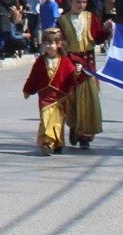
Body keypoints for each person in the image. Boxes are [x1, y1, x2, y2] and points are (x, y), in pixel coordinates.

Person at [58, 0, 106, 150]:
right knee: (71, 99)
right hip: (71, 63)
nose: (81, 5)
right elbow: (59, 42)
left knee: (89, 99)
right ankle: (74, 127)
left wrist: (106, 31)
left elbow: (98, 38)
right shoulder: (62, 20)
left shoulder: (91, 18)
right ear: (70, 1)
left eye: (84, 2)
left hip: (88, 64)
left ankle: (85, 136)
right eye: (78, 2)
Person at [23, 27, 81, 155]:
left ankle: (57, 143)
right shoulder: (39, 62)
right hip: (44, 95)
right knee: (46, 118)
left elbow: (71, 78)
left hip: (60, 95)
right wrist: (27, 90)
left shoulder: (65, 61)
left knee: (57, 120)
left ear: (59, 44)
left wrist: (77, 73)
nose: (48, 46)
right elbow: (33, 77)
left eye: (51, 43)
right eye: (45, 43)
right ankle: (47, 142)